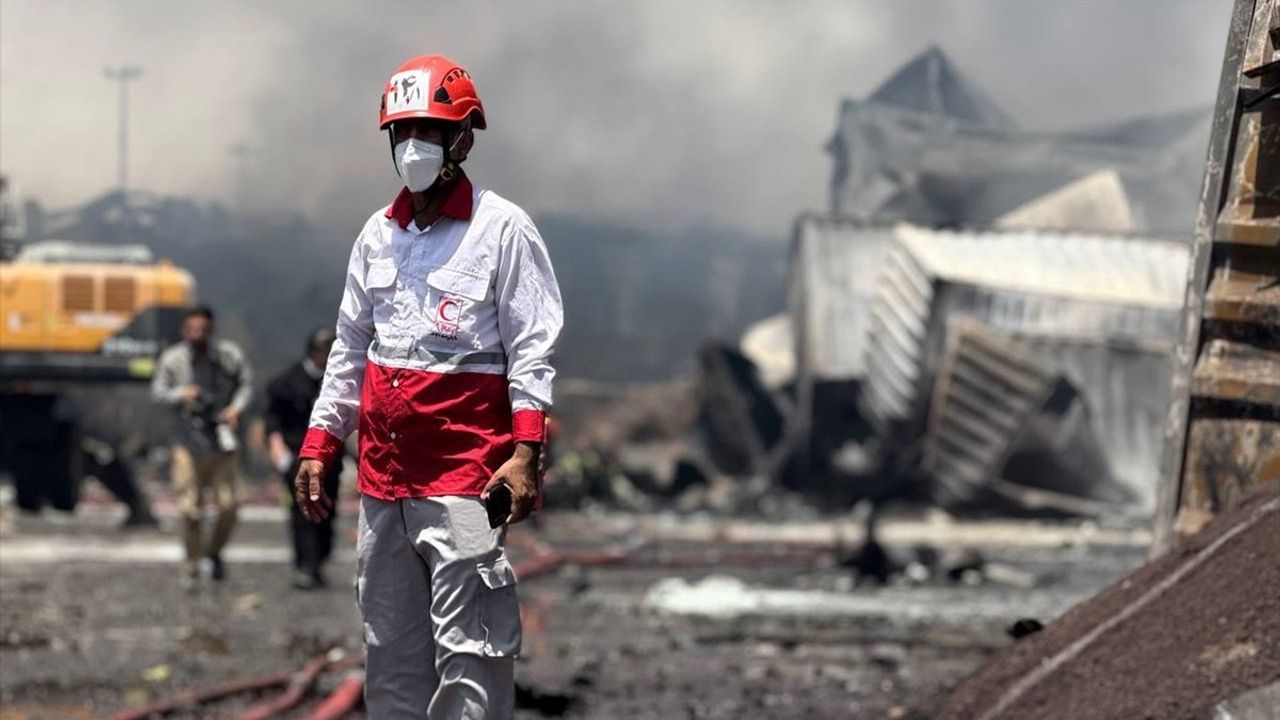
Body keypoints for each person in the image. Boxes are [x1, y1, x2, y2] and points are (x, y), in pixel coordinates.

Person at [294, 54, 562, 719]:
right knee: (390, 655)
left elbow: (533, 351)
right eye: (400, 131)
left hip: (467, 481)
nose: (410, 145)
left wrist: (526, 454)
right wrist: (320, 441)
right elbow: (350, 347)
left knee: (471, 654)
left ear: (463, 138)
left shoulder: (502, 231)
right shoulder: (376, 237)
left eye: (427, 130)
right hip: (384, 486)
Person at [151, 305, 252, 586]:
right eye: (192, 329)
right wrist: (182, 394)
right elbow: (158, 392)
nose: (197, 335)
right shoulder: (173, 359)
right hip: (186, 441)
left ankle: (214, 552)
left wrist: (235, 408)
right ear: (184, 331)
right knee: (189, 509)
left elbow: (246, 384)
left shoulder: (227, 356)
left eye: (203, 330)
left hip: (221, 440)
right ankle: (193, 563)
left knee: (229, 505)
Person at [265, 326, 341, 590]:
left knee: (328, 510)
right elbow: (273, 420)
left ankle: (319, 561)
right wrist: (277, 449)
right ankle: (305, 566)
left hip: (331, 459)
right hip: (297, 457)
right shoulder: (287, 383)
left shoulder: (336, 382)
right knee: (301, 511)